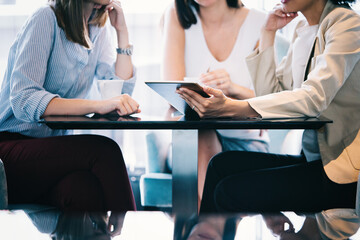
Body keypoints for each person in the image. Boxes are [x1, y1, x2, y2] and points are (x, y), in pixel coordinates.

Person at [176, 0, 360, 213]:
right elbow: (273, 95)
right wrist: (267, 33)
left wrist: (231, 106)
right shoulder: (302, 29)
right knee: (220, 165)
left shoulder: (347, 24)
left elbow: (314, 98)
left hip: (342, 171)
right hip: (312, 159)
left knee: (229, 190)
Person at [0, 0, 140, 211]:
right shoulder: (45, 18)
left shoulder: (96, 28)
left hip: (51, 154)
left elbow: (119, 94)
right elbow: (23, 99)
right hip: (10, 151)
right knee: (105, 151)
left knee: (81, 189)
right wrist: (96, 105)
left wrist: (122, 32)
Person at [162, 0, 270, 207]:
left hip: (245, 142)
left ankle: (205, 227)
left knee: (202, 135)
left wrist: (232, 89)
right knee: (202, 132)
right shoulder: (176, 15)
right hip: (190, 142)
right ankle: (212, 227)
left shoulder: (260, 21)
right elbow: (173, 95)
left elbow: (271, 99)